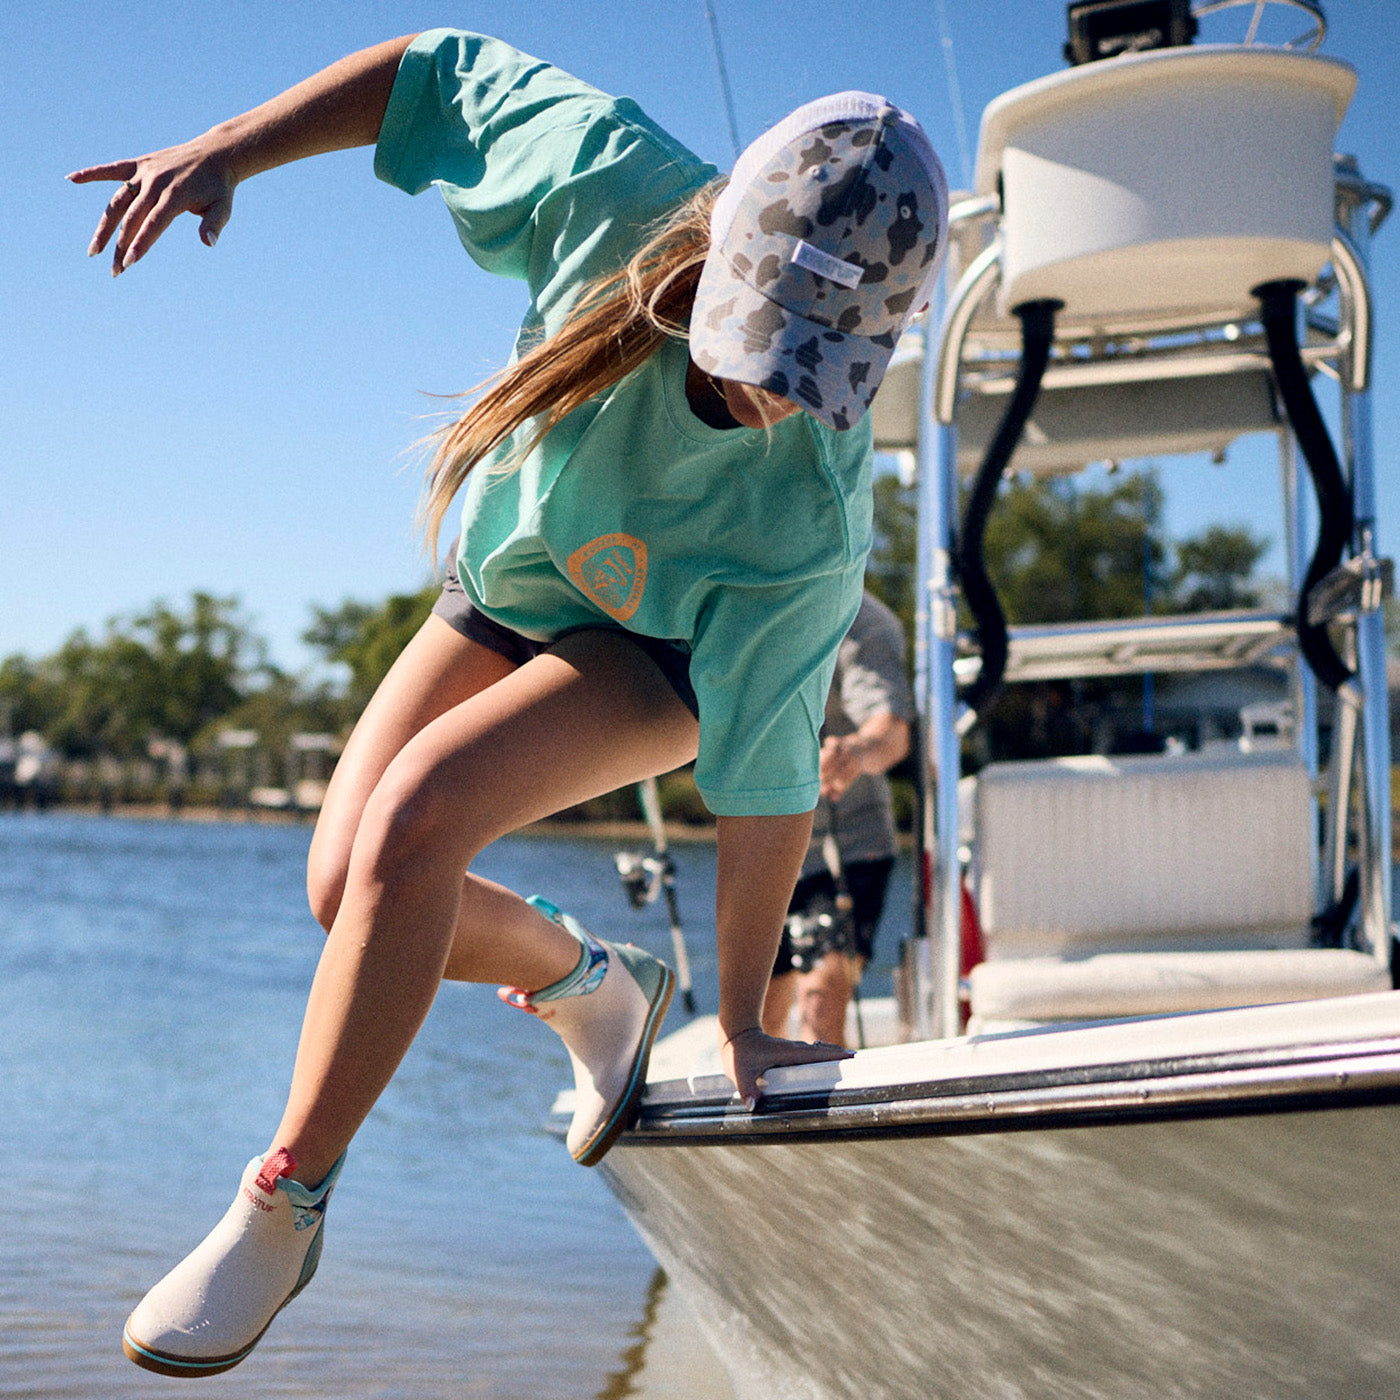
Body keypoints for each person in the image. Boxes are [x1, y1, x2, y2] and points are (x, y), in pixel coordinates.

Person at [72, 29, 947, 1378]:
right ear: (716, 253)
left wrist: (750, 1011)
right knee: (343, 880)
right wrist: (230, 146)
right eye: (751, 340)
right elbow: (434, 71)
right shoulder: (616, 190)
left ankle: (285, 1201)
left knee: (416, 820)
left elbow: (765, 782)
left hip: (658, 662)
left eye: (800, 372)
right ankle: (595, 985)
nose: (759, 393)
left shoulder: (809, 525)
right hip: (513, 579)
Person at [761, 590, 914, 1047]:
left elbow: (892, 732)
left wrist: (853, 754)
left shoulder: (866, 622)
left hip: (849, 847)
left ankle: (827, 1111)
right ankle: (768, 1111)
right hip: (761, 840)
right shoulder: (738, 604)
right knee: (757, 1013)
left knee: (820, 1002)